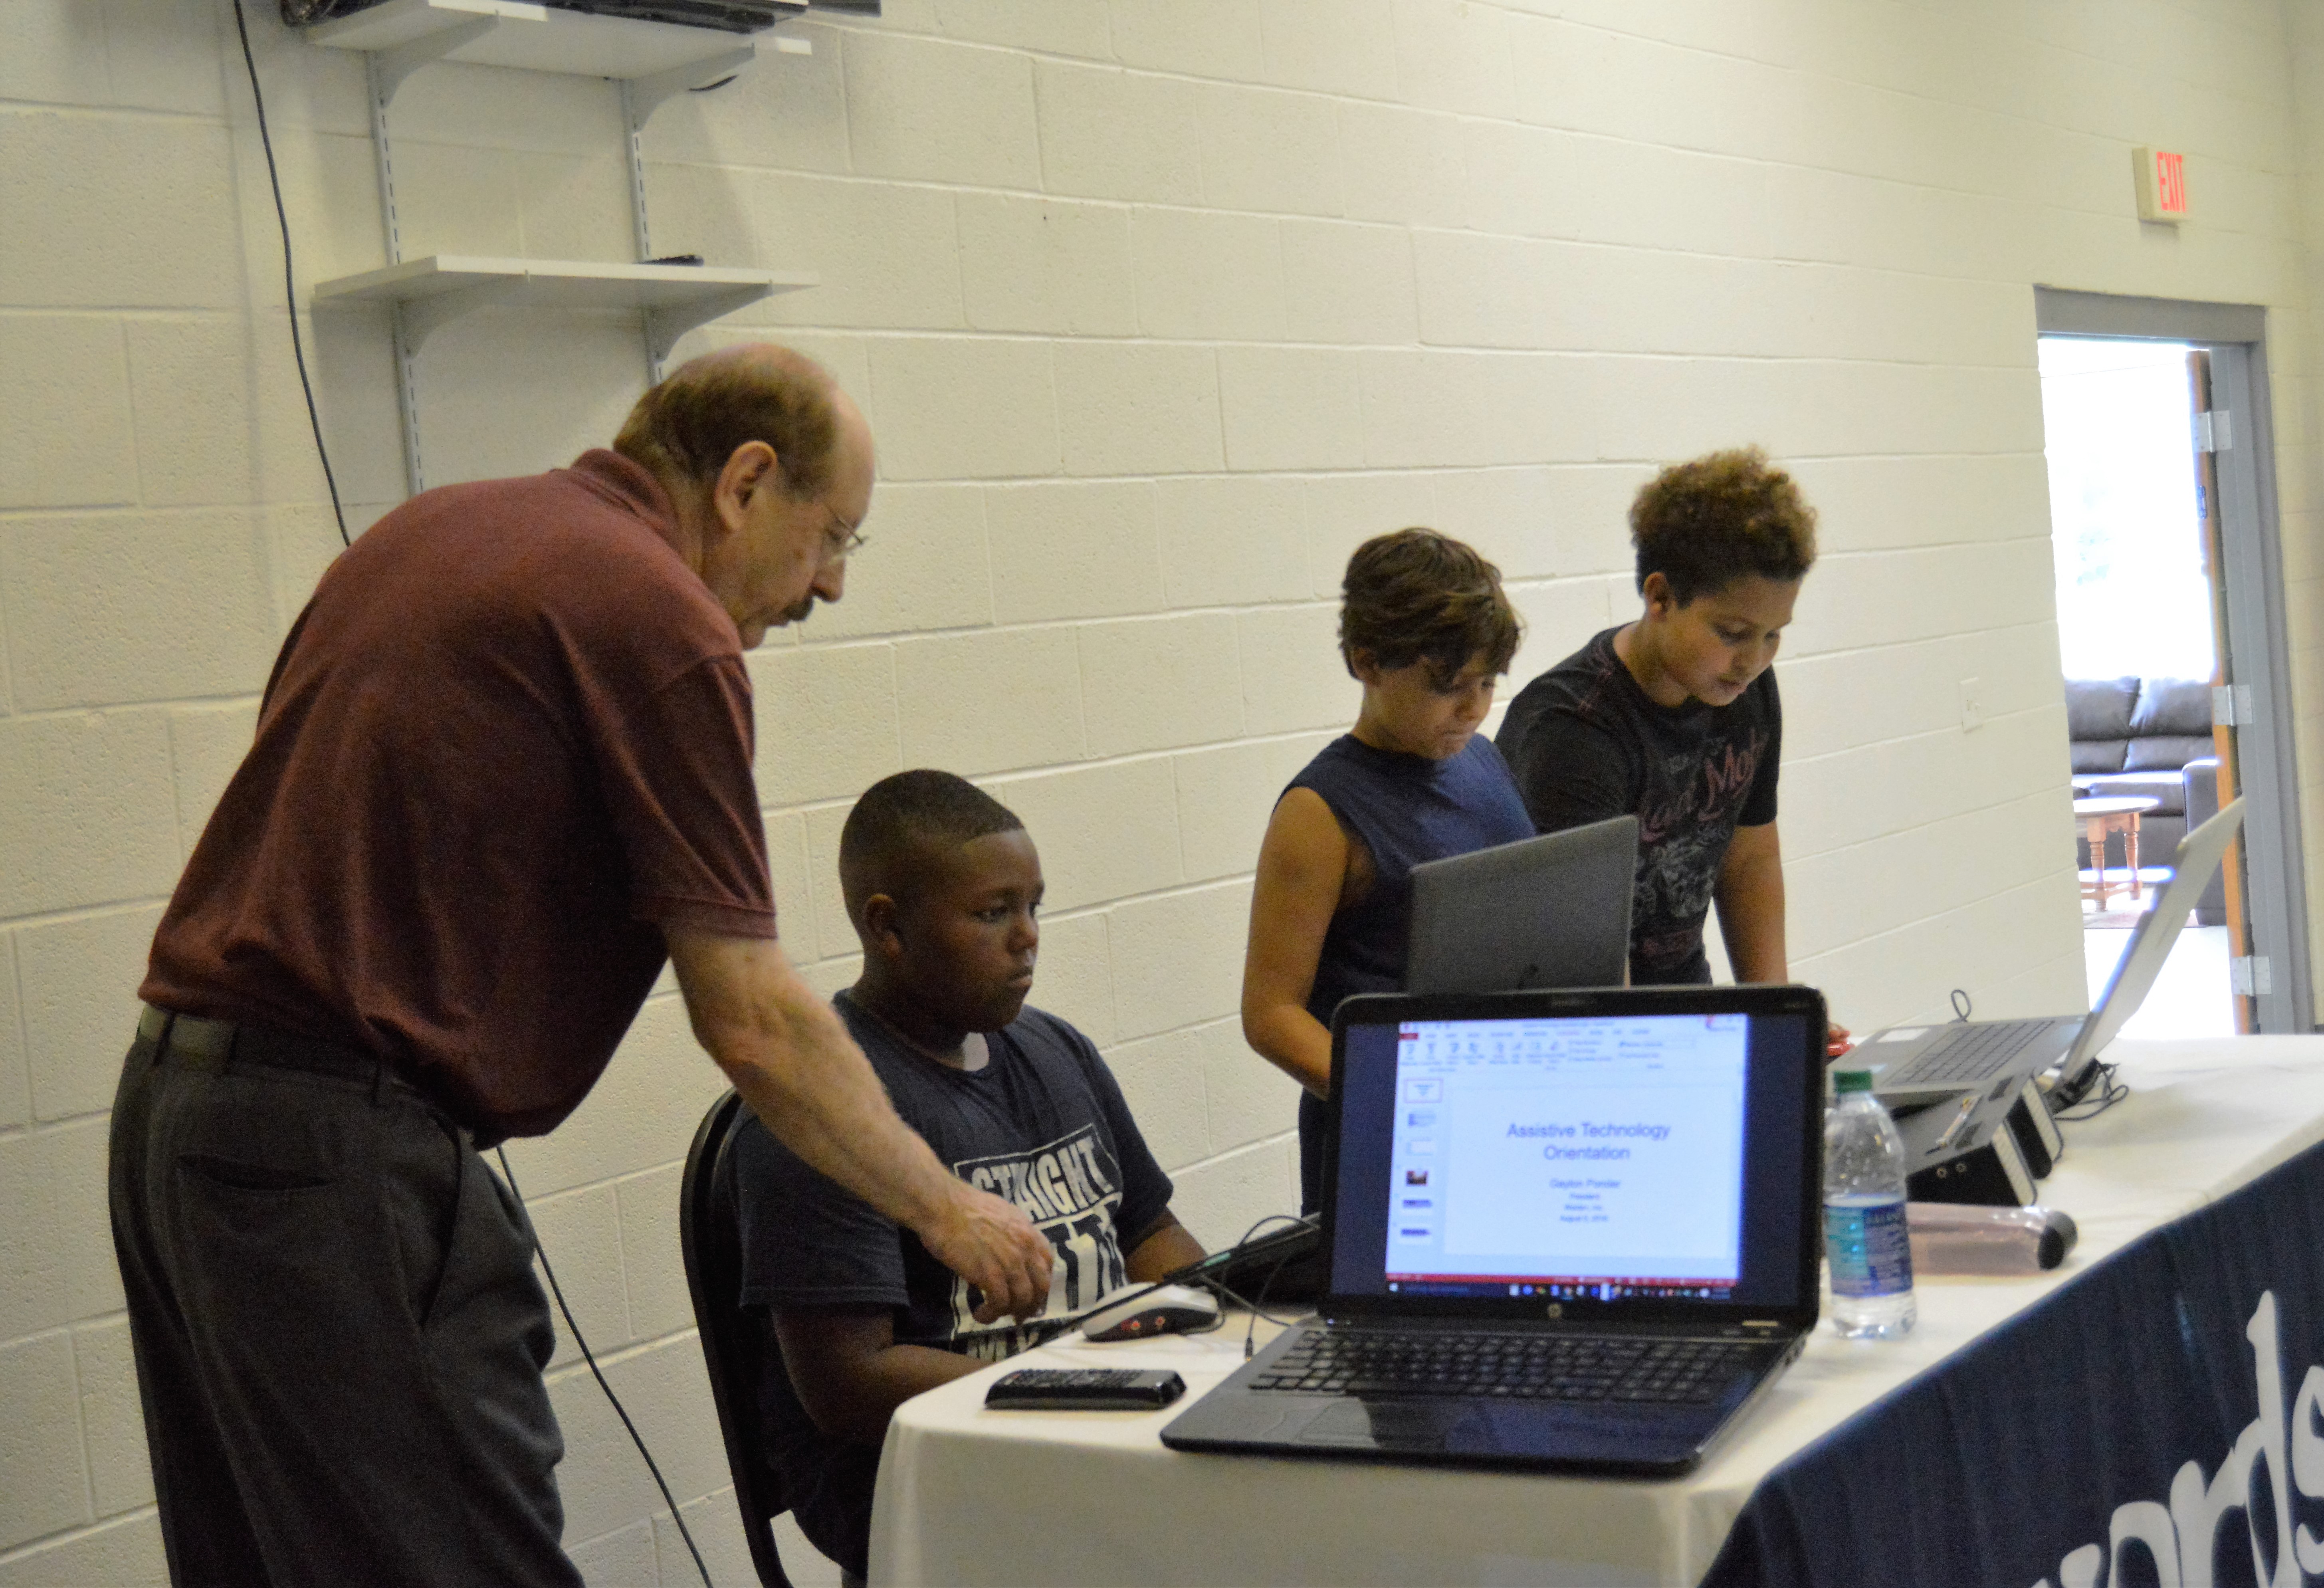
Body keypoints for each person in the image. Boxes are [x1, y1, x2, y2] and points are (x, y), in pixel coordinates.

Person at [108, 345, 1052, 1588]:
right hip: (338, 1161)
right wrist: (946, 1207)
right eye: (832, 537)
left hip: (178, 1121)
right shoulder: (660, 619)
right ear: (745, 483)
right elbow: (753, 1018)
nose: (828, 583)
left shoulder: (432, 531)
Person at [732, 769, 1204, 1582]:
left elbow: (1149, 1230)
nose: (1027, 937)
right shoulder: (819, 1115)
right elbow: (848, 1383)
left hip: (1081, 1439)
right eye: (993, 913)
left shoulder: (1056, 1049)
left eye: (1034, 907)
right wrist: (1077, 1397)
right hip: (933, 1483)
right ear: (889, 927)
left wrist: (1228, 1326)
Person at [1241, 528, 1535, 1214]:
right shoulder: (1318, 812)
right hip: (1392, 1141)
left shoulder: (1482, 758)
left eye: (1488, 683)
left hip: (1497, 1118)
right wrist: (1407, 1101)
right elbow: (1271, 1014)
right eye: (1448, 686)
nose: (1473, 708)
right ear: (1367, 662)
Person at [1497, 446, 1824, 1005]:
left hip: (1677, 1002)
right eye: (1732, 633)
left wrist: (1779, 1014)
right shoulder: (1574, 729)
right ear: (1661, 597)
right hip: (1582, 1017)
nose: (1753, 660)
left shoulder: (1747, 690)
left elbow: (1750, 859)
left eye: (1773, 634)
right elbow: (1589, 959)